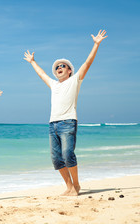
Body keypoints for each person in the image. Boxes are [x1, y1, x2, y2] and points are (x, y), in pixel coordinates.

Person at [23, 29, 107, 196]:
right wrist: (32, 62)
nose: (59, 68)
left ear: (70, 71)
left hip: (68, 122)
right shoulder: (54, 85)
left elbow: (87, 63)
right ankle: (69, 187)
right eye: (57, 67)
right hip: (52, 124)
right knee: (56, 159)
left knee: (68, 154)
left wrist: (96, 44)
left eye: (63, 66)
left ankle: (76, 185)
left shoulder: (75, 81)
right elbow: (41, 74)